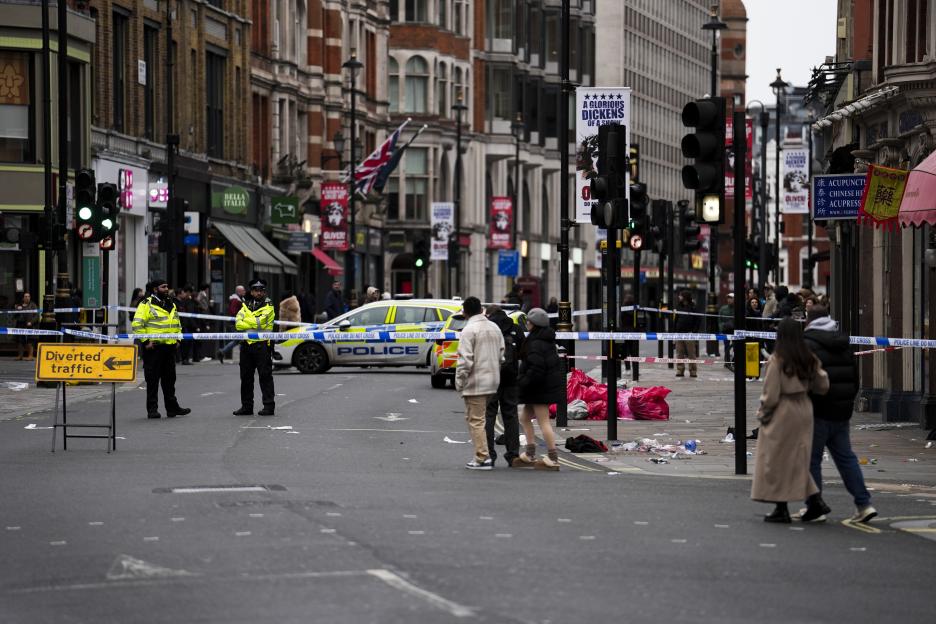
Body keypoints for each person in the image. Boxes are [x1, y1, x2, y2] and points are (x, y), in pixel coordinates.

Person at [801, 305, 876, 523]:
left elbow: (807, 379)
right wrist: (848, 403)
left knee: (812, 460)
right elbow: (855, 378)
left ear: (809, 320)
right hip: (841, 413)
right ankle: (864, 504)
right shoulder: (843, 342)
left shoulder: (808, 344)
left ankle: (814, 506)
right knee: (846, 459)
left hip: (818, 411)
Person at [751, 318, 829, 523]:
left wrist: (763, 414)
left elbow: (771, 394)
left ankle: (782, 508)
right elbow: (823, 385)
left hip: (783, 411)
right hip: (804, 408)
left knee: (776, 460)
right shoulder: (808, 357)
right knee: (796, 458)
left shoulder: (777, 360)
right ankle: (815, 501)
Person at [455, 296, 504, 470]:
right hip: (492, 381)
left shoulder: (469, 330)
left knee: (475, 420)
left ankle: (482, 457)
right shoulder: (494, 327)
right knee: (480, 419)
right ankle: (483, 454)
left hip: (476, 382)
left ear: (465, 311)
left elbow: (465, 360)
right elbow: (501, 355)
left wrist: (459, 381)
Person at [132, 279, 191, 419]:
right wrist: (146, 341)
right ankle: (152, 409)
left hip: (169, 348)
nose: (166, 289)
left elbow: (176, 322)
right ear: (154, 289)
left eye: (167, 286)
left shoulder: (170, 302)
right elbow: (137, 324)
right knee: (152, 380)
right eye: (163, 287)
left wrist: (178, 339)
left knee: (170, 380)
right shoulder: (146, 304)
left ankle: (172, 408)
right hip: (154, 348)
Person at [516, 307, 564, 470]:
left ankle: (553, 458)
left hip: (538, 389)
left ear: (534, 324)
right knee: (524, 418)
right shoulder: (545, 339)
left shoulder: (536, 343)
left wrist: (523, 381)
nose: (527, 324)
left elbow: (537, 369)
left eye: (528, 321)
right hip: (539, 388)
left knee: (543, 422)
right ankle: (530, 454)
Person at [483, 305, 525, 468]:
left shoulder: (487, 330)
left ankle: (489, 454)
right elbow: (523, 353)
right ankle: (513, 455)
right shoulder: (515, 328)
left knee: (489, 415)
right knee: (510, 415)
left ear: (489, 315)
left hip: (491, 376)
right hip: (511, 377)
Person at [233, 279, 277, 416]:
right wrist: (251, 322)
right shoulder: (245, 305)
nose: (258, 292)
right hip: (246, 345)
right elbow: (237, 324)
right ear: (251, 292)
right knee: (246, 377)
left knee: (265, 376)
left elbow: (261, 324)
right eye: (256, 290)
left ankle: (269, 406)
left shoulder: (268, 305)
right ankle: (246, 407)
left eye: (261, 290)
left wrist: (246, 320)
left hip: (262, 345)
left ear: (264, 292)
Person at [674, 290, 700, 378]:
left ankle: (693, 371)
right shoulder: (678, 307)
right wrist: (675, 332)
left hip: (689, 334)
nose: (679, 297)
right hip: (679, 333)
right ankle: (680, 370)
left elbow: (698, 321)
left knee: (691, 354)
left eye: (680, 296)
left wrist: (694, 332)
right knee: (679, 353)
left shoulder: (693, 308)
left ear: (685, 297)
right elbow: (676, 320)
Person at [217, 285, 246, 364]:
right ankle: (244, 357)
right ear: (239, 291)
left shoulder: (240, 299)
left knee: (237, 341)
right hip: (237, 324)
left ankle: (222, 352)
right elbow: (233, 312)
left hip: (239, 323)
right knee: (243, 339)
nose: (245, 292)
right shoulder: (235, 300)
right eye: (243, 290)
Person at [175, 285, 197, 365]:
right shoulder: (175, 303)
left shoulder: (183, 302)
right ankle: (180, 359)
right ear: (179, 294)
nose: (185, 294)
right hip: (178, 326)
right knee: (181, 342)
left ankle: (184, 359)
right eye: (183, 293)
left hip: (184, 325)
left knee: (185, 342)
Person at [14, 292, 39, 360]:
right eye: (25, 296)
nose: (27, 297)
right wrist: (17, 310)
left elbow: (36, 315)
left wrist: (31, 322)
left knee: (30, 340)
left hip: (30, 325)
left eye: (28, 296)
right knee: (20, 340)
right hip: (20, 324)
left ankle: (30, 356)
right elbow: (14, 316)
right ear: (23, 298)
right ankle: (20, 356)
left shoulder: (33, 305)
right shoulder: (19, 305)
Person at [194, 283, 213, 361]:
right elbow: (197, 300)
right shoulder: (202, 293)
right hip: (203, 313)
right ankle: (200, 356)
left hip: (205, 312)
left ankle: (201, 355)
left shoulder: (204, 294)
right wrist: (202, 306)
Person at [718, 293, 734, 365]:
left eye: (731, 298)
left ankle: (734, 361)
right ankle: (727, 362)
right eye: (728, 298)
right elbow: (719, 320)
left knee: (736, 346)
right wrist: (722, 327)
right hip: (726, 330)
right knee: (726, 346)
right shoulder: (723, 308)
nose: (729, 300)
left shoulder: (738, 309)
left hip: (735, 330)